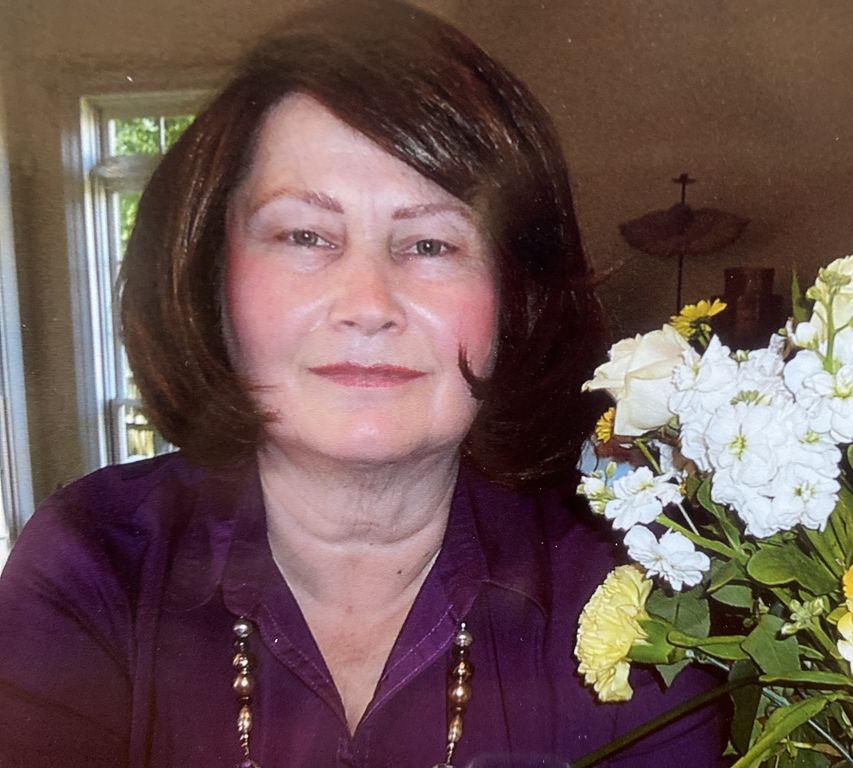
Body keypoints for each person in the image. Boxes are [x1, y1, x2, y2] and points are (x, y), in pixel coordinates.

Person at [0, 2, 726, 765]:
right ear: (215, 278)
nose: (369, 304)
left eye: (431, 243)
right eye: (305, 235)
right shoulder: (92, 563)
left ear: (516, 296)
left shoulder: (634, 598)